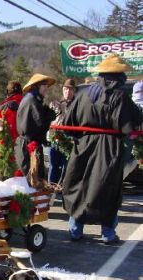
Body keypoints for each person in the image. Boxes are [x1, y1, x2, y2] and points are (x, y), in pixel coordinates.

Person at [62, 54, 142, 244]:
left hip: (83, 145)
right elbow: (127, 125)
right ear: (118, 75)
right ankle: (107, 234)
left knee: (80, 186)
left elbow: (67, 124)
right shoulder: (120, 95)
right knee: (107, 188)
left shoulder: (82, 93)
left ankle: (75, 230)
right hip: (109, 147)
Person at [15, 73, 57, 188]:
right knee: (34, 180)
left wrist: (49, 111)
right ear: (37, 86)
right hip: (29, 145)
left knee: (31, 179)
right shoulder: (32, 101)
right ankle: (33, 204)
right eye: (44, 85)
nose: (46, 88)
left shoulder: (31, 99)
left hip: (26, 143)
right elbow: (41, 123)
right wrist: (51, 113)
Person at [48, 78, 76, 186]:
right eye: (65, 89)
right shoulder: (56, 104)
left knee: (67, 166)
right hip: (55, 138)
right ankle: (51, 188)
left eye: (70, 89)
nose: (68, 92)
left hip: (70, 139)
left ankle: (65, 188)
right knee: (53, 165)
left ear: (74, 91)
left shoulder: (77, 105)